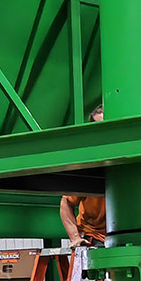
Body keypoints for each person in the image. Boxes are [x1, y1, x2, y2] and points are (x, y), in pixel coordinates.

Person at [60, 105, 106, 246]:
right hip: (96, 237)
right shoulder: (88, 165)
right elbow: (66, 202)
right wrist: (75, 238)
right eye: (100, 128)